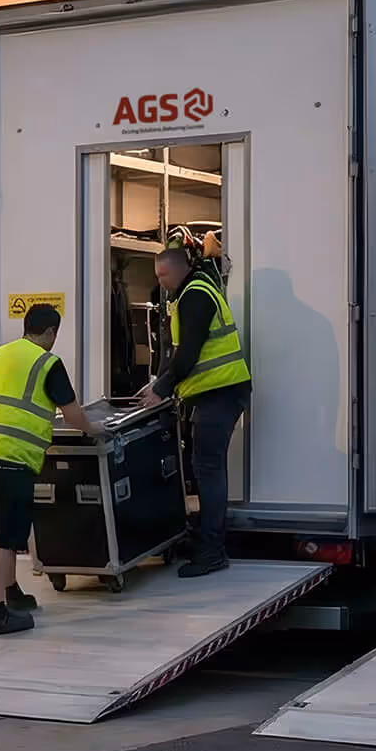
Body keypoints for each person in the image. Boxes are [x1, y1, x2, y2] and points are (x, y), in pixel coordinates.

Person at [0, 303, 102, 636]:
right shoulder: (47, 363)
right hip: (11, 457)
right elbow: (72, 414)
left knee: (5, 529)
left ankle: (11, 593)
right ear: (51, 332)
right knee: (4, 536)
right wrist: (95, 430)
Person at [139, 243, 251, 577]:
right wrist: (158, 384)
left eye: (163, 274)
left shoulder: (196, 295)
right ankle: (203, 540)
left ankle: (213, 552)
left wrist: (161, 390)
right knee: (200, 467)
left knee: (208, 469)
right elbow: (178, 354)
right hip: (212, 394)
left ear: (177, 269)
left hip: (221, 393)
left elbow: (188, 353)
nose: (160, 282)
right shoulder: (189, 293)